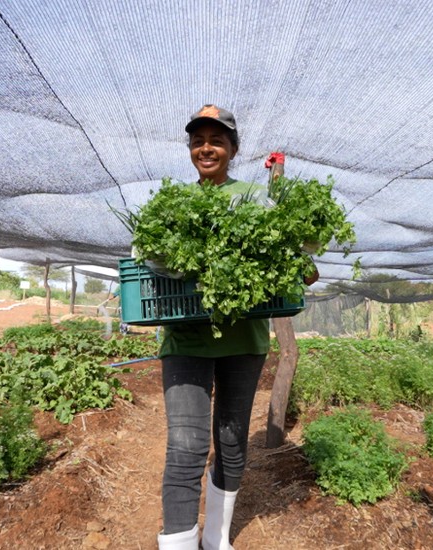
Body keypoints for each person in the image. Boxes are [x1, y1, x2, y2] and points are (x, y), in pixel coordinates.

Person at [155, 105, 317, 550]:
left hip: (244, 340)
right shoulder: (173, 204)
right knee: (186, 447)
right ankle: (179, 543)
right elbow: (150, 258)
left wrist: (302, 263)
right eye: (198, 140)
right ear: (190, 148)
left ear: (233, 149)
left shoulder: (256, 199)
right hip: (185, 337)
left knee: (231, 441)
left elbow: (291, 255)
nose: (206, 148)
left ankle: (216, 538)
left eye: (216, 140)